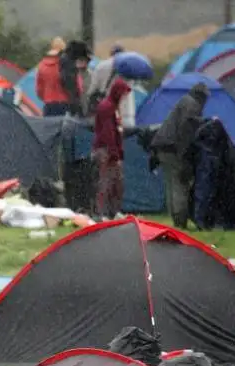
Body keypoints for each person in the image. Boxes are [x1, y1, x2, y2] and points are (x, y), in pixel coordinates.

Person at [150, 82, 210, 228]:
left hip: (162, 147)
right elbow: (185, 133)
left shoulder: (184, 101)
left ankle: (175, 219)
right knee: (180, 184)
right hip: (173, 149)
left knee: (171, 184)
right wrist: (184, 156)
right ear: (202, 96)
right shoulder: (193, 106)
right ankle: (180, 221)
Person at [92, 78, 132, 220]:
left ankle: (114, 212)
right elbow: (108, 133)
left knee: (117, 183)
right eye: (123, 94)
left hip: (112, 151)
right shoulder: (106, 107)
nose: (124, 98)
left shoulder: (113, 107)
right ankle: (101, 214)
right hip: (106, 151)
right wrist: (114, 154)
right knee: (106, 183)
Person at [86, 43, 136, 127]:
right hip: (126, 114)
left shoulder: (101, 66)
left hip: (106, 114)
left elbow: (92, 89)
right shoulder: (130, 68)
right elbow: (130, 87)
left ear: (111, 54)